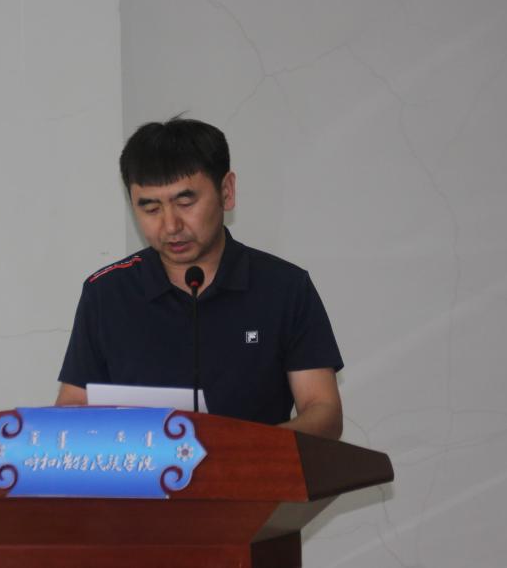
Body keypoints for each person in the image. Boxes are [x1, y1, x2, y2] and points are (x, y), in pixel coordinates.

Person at [55, 117, 344, 439]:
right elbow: (72, 407)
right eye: (151, 209)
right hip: (142, 471)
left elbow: (323, 410)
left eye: (185, 202)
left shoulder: (284, 288)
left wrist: (252, 451)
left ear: (226, 191)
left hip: (255, 469)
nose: (171, 225)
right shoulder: (106, 293)